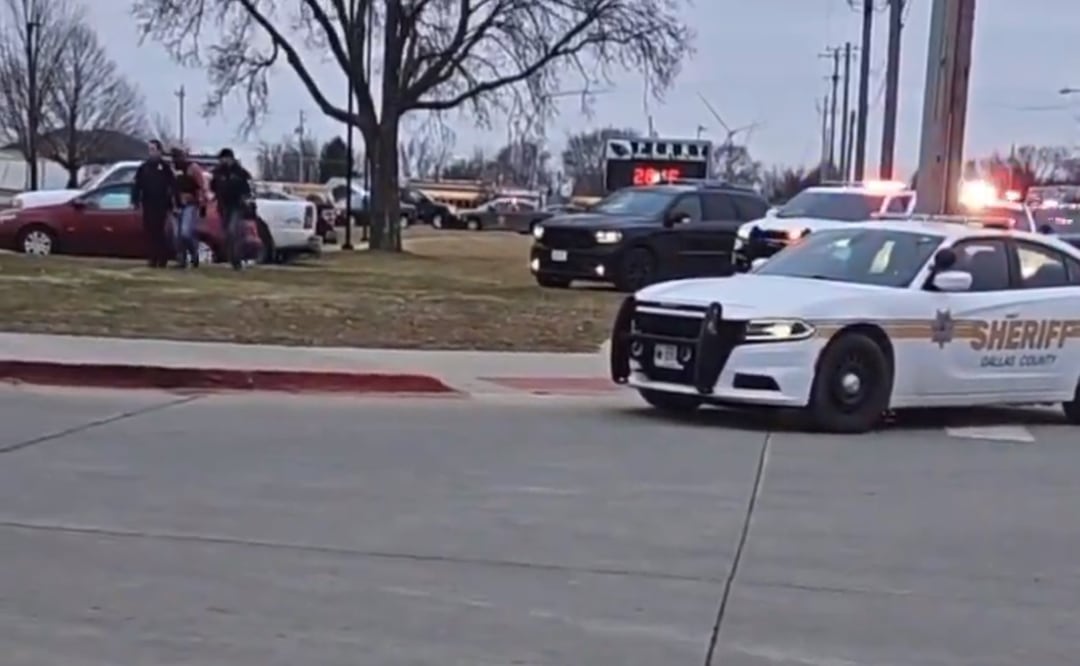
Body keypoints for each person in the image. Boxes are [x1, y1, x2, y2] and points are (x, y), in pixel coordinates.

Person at [131, 139, 177, 268]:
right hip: (148, 203)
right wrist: (135, 200)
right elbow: (137, 185)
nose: (151, 152)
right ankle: (152, 258)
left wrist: (174, 202)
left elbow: (172, 185)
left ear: (159, 151)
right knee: (149, 230)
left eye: (153, 149)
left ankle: (162, 258)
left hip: (162, 204)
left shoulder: (165, 168)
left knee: (159, 231)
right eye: (149, 150)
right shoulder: (144, 168)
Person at [209, 148, 253, 270]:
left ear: (230, 158)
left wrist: (246, 199)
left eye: (224, 158)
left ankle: (237, 259)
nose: (222, 161)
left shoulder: (239, 173)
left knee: (233, 230)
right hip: (223, 207)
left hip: (237, 206)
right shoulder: (218, 173)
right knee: (228, 234)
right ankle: (233, 257)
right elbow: (212, 187)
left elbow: (247, 189)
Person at [171, 147, 209, 268]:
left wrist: (202, 204)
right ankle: (181, 260)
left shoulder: (193, 169)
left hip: (191, 204)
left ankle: (194, 253)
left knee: (186, 232)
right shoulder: (174, 170)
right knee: (177, 235)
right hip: (177, 205)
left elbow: (202, 187)